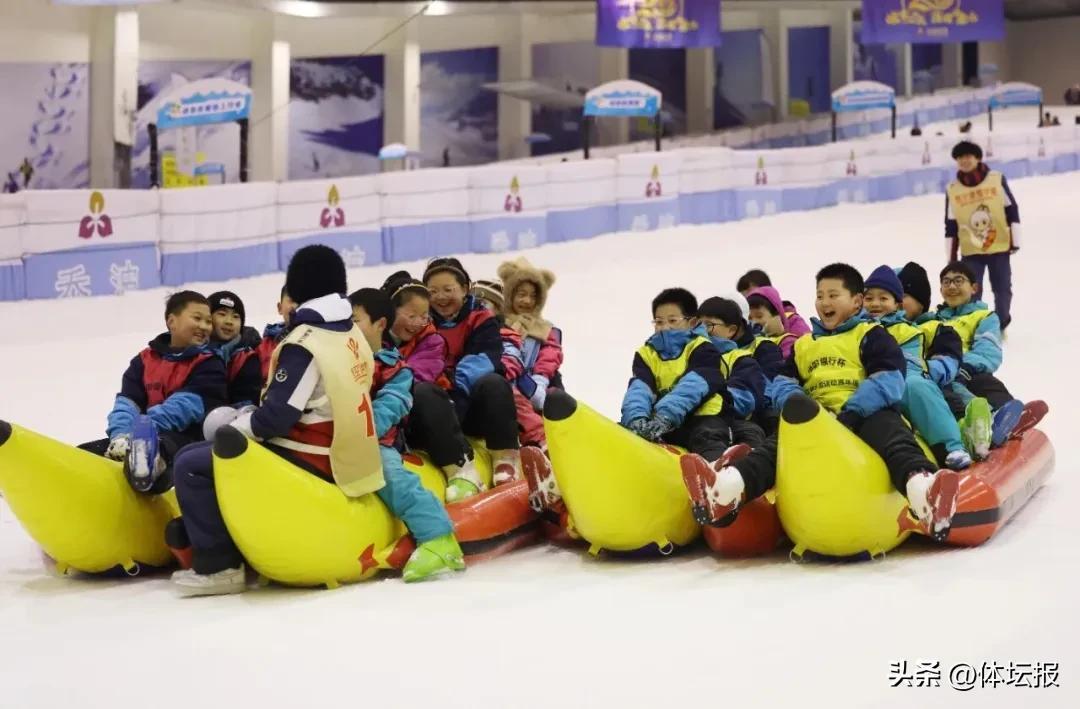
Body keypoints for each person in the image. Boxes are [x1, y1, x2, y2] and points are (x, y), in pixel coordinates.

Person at [169, 246, 428, 596]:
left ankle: (219, 565)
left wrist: (237, 428)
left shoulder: (305, 343)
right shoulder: (350, 332)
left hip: (312, 455)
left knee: (190, 463)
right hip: (350, 450)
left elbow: (276, 418)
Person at [683, 264, 960, 541]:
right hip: (818, 418)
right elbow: (782, 383)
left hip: (865, 413)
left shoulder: (870, 335)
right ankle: (725, 489)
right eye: (820, 295)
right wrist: (801, 407)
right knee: (774, 448)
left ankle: (923, 491)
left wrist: (852, 412)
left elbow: (888, 377)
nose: (825, 302)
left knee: (893, 437)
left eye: (833, 295)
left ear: (856, 302)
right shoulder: (805, 345)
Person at [348, 287, 465, 582]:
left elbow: (394, 403)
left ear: (380, 324)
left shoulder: (394, 368)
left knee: (390, 474)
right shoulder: (338, 361)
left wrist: (363, 430)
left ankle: (438, 538)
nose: (347, 327)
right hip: (332, 439)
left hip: (375, 442)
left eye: (355, 320)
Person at [80, 291, 226, 495]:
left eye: (208, 321)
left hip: (187, 441)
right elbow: (126, 403)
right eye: (197, 318)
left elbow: (183, 408)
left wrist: (141, 431)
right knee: (85, 454)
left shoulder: (210, 363)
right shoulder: (143, 361)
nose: (204, 326)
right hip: (138, 437)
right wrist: (120, 436)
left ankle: (148, 468)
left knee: (161, 448)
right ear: (172, 321)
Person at [423, 257, 522, 500]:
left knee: (494, 384)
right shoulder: (422, 321)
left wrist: (455, 393)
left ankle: (505, 458)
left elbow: (483, 360)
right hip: (439, 405)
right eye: (433, 291)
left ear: (465, 289)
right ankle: (456, 465)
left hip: (469, 405)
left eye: (448, 290)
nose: (441, 297)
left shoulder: (481, 319)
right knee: (424, 393)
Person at [863, 266, 973, 470]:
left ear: (897, 303)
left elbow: (925, 359)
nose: (875, 303)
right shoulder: (855, 327)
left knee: (922, 387)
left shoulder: (913, 330)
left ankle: (954, 444)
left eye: (883, 298)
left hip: (910, 377)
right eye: (868, 298)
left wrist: (929, 371)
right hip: (867, 381)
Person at [380, 271, 479, 490]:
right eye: (411, 316)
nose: (418, 323)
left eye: (424, 316)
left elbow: (412, 378)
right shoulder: (375, 338)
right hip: (388, 418)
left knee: (422, 392)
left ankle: (460, 466)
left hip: (423, 416)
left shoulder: (432, 341)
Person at [621, 288, 732, 461]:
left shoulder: (703, 348)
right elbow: (639, 389)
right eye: (659, 322)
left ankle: (717, 470)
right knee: (621, 433)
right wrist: (636, 419)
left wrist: (666, 416)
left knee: (708, 435)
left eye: (672, 320)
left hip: (701, 418)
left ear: (692, 322)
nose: (665, 327)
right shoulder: (647, 354)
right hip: (662, 424)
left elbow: (693, 386)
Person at [896, 261, 993, 458]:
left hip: (941, 376)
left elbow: (952, 355)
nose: (896, 303)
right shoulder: (876, 329)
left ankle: (980, 424)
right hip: (897, 382)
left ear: (921, 303)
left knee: (965, 386)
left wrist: (927, 371)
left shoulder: (934, 327)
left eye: (902, 297)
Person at [936, 261, 1034, 450]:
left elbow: (988, 350)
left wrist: (965, 367)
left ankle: (1008, 415)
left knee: (986, 383)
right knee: (952, 390)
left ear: (974, 288)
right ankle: (987, 421)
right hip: (944, 373)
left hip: (971, 370)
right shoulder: (933, 320)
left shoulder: (984, 316)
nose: (952, 286)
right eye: (946, 282)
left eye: (958, 281)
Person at [945, 140, 1021, 330]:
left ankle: (1000, 324)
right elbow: (951, 225)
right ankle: (974, 325)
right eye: (960, 158)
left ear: (977, 158)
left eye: (968, 156)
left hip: (999, 246)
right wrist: (951, 258)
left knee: (1002, 289)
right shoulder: (953, 189)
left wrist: (1015, 239)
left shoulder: (996, 179)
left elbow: (1011, 209)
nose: (964, 161)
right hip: (971, 251)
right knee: (971, 291)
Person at [496, 257, 565, 449]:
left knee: (555, 398)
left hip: (535, 382)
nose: (527, 301)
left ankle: (551, 441)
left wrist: (540, 381)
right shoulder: (498, 323)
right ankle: (535, 440)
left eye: (533, 296)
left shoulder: (545, 329)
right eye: (521, 294)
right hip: (508, 378)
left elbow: (550, 356)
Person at [695, 296, 775, 447]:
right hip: (685, 420)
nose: (701, 331)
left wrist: (710, 404)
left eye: (709, 325)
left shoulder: (741, 359)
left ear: (731, 330)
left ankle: (740, 459)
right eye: (698, 324)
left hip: (728, 420)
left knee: (751, 432)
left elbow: (745, 397)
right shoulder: (686, 355)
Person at [206, 291, 263, 407]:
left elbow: (246, 404)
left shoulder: (246, 359)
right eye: (222, 314)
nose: (229, 321)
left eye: (236, 317)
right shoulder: (192, 349)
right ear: (207, 318)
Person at [746, 285, 811, 359]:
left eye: (759, 316)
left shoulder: (788, 341)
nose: (754, 321)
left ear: (776, 315)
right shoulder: (748, 345)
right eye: (750, 318)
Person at [256, 286, 297, 380]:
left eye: (303, 301)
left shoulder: (322, 340)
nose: (296, 306)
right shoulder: (263, 348)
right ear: (280, 308)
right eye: (292, 300)